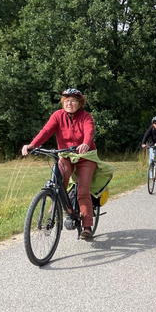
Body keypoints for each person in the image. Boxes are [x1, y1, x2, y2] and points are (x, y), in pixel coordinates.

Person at [21, 89, 100, 239]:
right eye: (67, 101)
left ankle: (87, 227)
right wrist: (32, 145)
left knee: (83, 190)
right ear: (63, 103)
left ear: (79, 103)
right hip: (65, 154)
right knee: (58, 179)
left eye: (73, 101)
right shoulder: (58, 115)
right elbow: (46, 131)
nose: (70, 103)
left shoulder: (85, 117)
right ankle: (59, 205)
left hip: (85, 156)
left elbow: (89, 131)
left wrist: (85, 143)